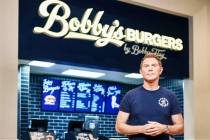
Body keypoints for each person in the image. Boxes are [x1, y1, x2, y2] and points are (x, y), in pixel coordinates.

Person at [115, 53, 184, 140]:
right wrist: (141, 129)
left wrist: (164, 128)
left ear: (161, 70)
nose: (150, 69)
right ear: (141, 71)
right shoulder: (130, 95)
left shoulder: (170, 96)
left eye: (154, 65)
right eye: (146, 66)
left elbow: (181, 128)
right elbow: (119, 127)